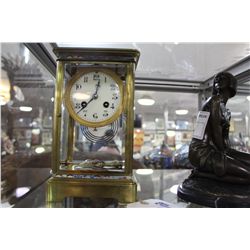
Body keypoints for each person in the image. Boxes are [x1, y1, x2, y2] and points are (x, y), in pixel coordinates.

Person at [189, 72, 250, 184]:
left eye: (223, 78)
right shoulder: (214, 100)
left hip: (216, 150)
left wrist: (234, 154)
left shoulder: (226, 111)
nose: (218, 79)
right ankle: (201, 174)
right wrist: (227, 156)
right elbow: (217, 133)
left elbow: (225, 142)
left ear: (231, 84)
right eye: (217, 78)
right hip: (201, 152)